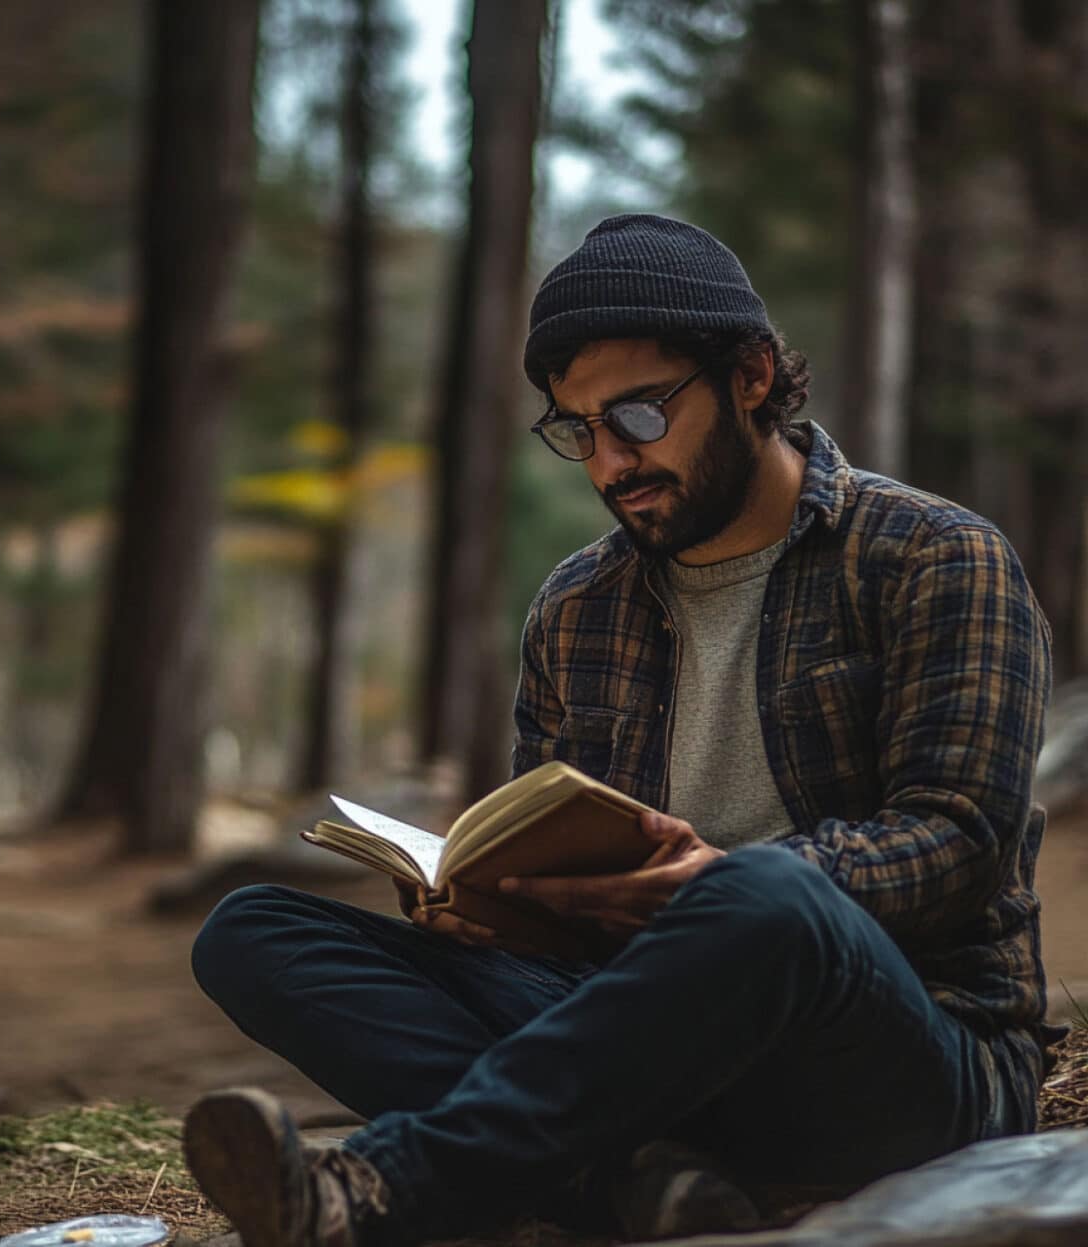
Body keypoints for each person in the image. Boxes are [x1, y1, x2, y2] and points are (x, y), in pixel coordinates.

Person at [184, 214, 1057, 1247]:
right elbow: (551, 832)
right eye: (577, 428)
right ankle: (636, 1185)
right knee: (255, 930)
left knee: (767, 893)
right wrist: (491, 903)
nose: (609, 462)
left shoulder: (938, 558)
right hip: (641, 1041)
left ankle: (394, 1185)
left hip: (906, 1051)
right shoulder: (575, 605)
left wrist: (723, 885)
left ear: (752, 375)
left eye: (638, 414)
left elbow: (956, 840)